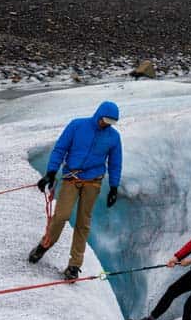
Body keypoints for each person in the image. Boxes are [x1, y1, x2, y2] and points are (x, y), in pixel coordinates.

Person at [27, 101, 123, 280]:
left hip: (93, 182)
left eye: (111, 122)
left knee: (83, 222)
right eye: (105, 120)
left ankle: (74, 265)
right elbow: (60, 149)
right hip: (72, 178)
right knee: (62, 215)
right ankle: (44, 245)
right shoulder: (77, 126)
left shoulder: (113, 137)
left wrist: (114, 187)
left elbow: (115, 163)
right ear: (98, 114)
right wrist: (50, 172)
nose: (106, 124)